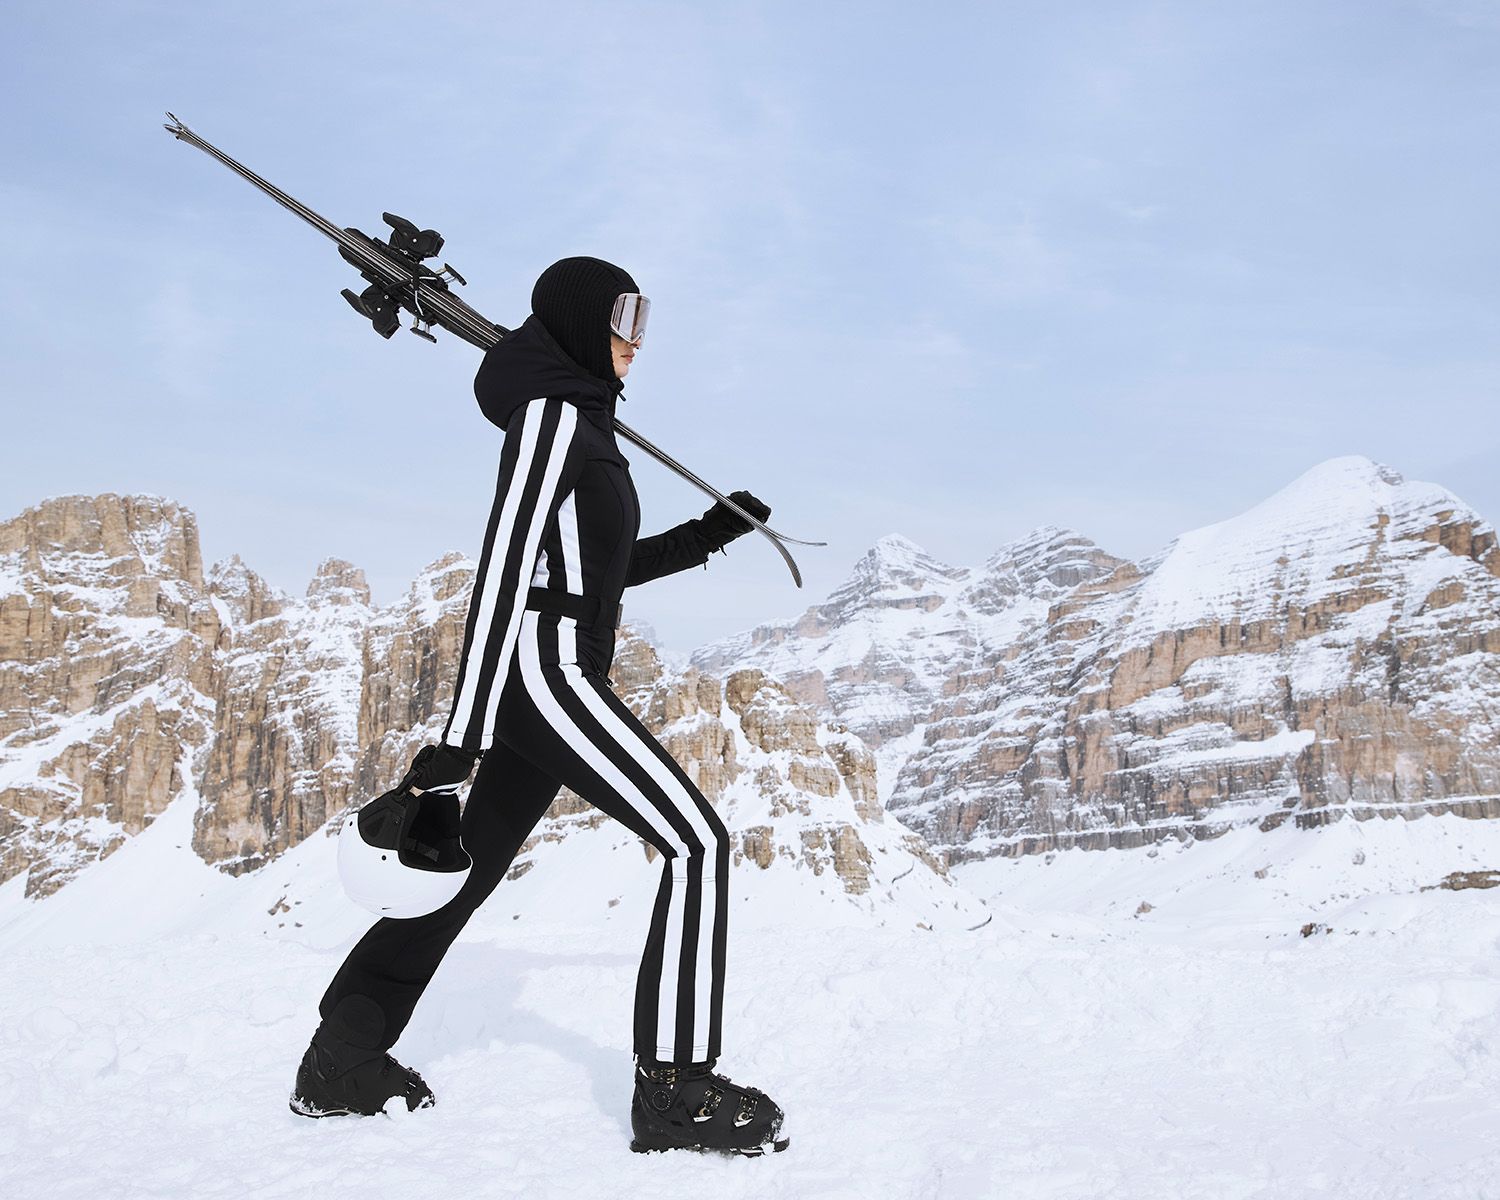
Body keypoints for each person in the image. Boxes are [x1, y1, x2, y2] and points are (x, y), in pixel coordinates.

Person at [288, 256, 788, 1156]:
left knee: (469, 869)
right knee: (698, 842)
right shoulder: (556, 420)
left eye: (645, 318)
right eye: (622, 315)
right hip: (542, 669)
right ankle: (675, 1088)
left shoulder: (585, 423)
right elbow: (507, 574)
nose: (637, 336)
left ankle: (341, 1059)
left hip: (561, 662)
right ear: (579, 318)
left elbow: (598, 576)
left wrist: (710, 538)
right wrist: (460, 739)